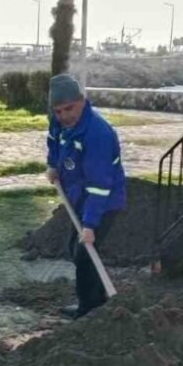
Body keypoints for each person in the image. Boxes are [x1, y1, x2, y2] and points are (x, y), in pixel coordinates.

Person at [45, 73, 126, 319]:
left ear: (82, 100)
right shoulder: (60, 123)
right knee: (76, 249)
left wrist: (90, 225)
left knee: (85, 254)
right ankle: (98, 299)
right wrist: (52, 165)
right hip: (78, 198)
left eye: (69, 108)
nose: (64, 116)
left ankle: (88, 309)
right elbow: (53, 142)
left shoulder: (98, 134)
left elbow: (99, 186)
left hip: (103, 202)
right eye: (58, 111)